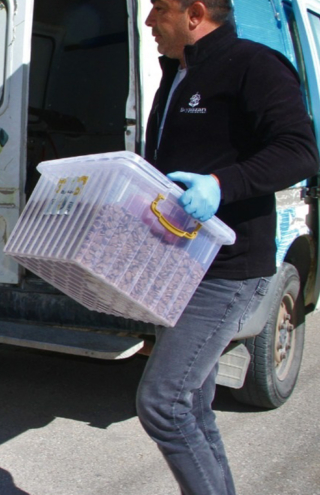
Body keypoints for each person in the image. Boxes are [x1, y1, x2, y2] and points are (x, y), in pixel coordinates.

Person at [140, 0, 318, 493]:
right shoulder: (176, 76)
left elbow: (300, 150)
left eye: (159, 8)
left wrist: (221, 183)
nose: (149, 20)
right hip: (178, 266)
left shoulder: (253, 64)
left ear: (195, 13)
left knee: (163, 403)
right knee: (192, 404)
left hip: (227, 270)